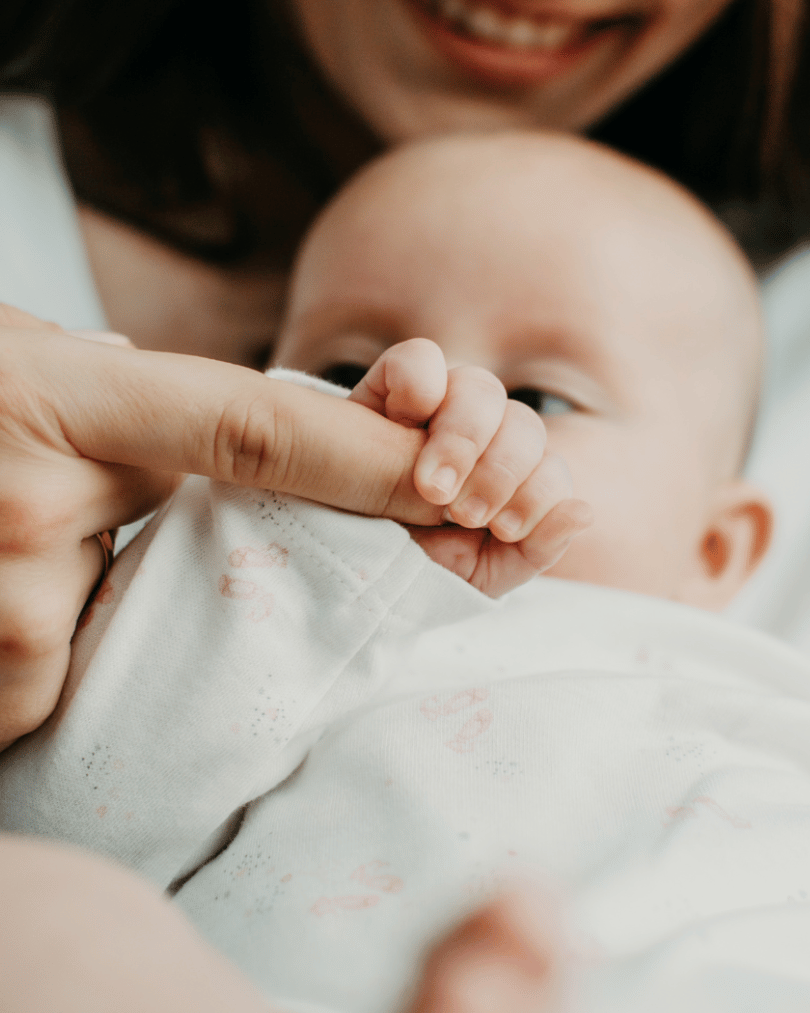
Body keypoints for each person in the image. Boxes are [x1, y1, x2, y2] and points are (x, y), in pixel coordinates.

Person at [7, 133, 802, 1013]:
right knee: (43, 906)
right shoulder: (249, 613)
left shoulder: (750, 705)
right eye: (346, 373)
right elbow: (63, 818)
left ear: (714, 550)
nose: (436, 410)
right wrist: (296, 530)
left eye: (538, 396)